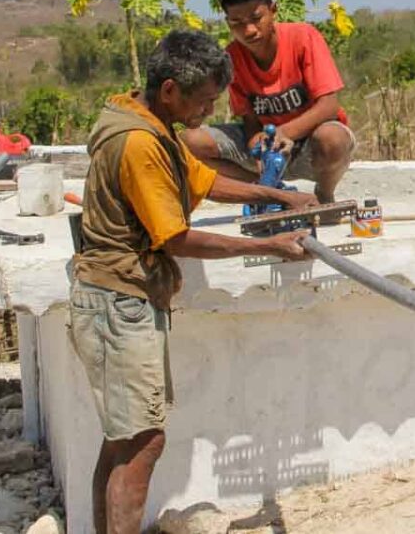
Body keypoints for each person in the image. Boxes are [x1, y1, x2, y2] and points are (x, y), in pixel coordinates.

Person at [69, 29, 318, 534]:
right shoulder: (139, 143)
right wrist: (269, 245)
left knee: (123, 438)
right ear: (169, 91)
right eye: (203, 102)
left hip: (118, 299)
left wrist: (277, 197)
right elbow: (176, 238)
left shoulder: (149, 122)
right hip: (118, 302)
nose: (208, 113)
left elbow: (200, 179)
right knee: (143, 441)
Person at [182, 0, 355, 205]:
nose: (249, 30)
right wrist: (255, 140)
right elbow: (248, 115)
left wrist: (285, 133)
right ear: (228, 23)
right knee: (189, 142)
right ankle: (268, 190)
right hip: (267, 149)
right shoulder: (232, 56)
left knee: (332, 138)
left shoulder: (303, 37)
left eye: (256, 18)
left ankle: (323, 196)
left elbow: (329, 105)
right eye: (237, 23)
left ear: (273, 10)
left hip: (308, 146)